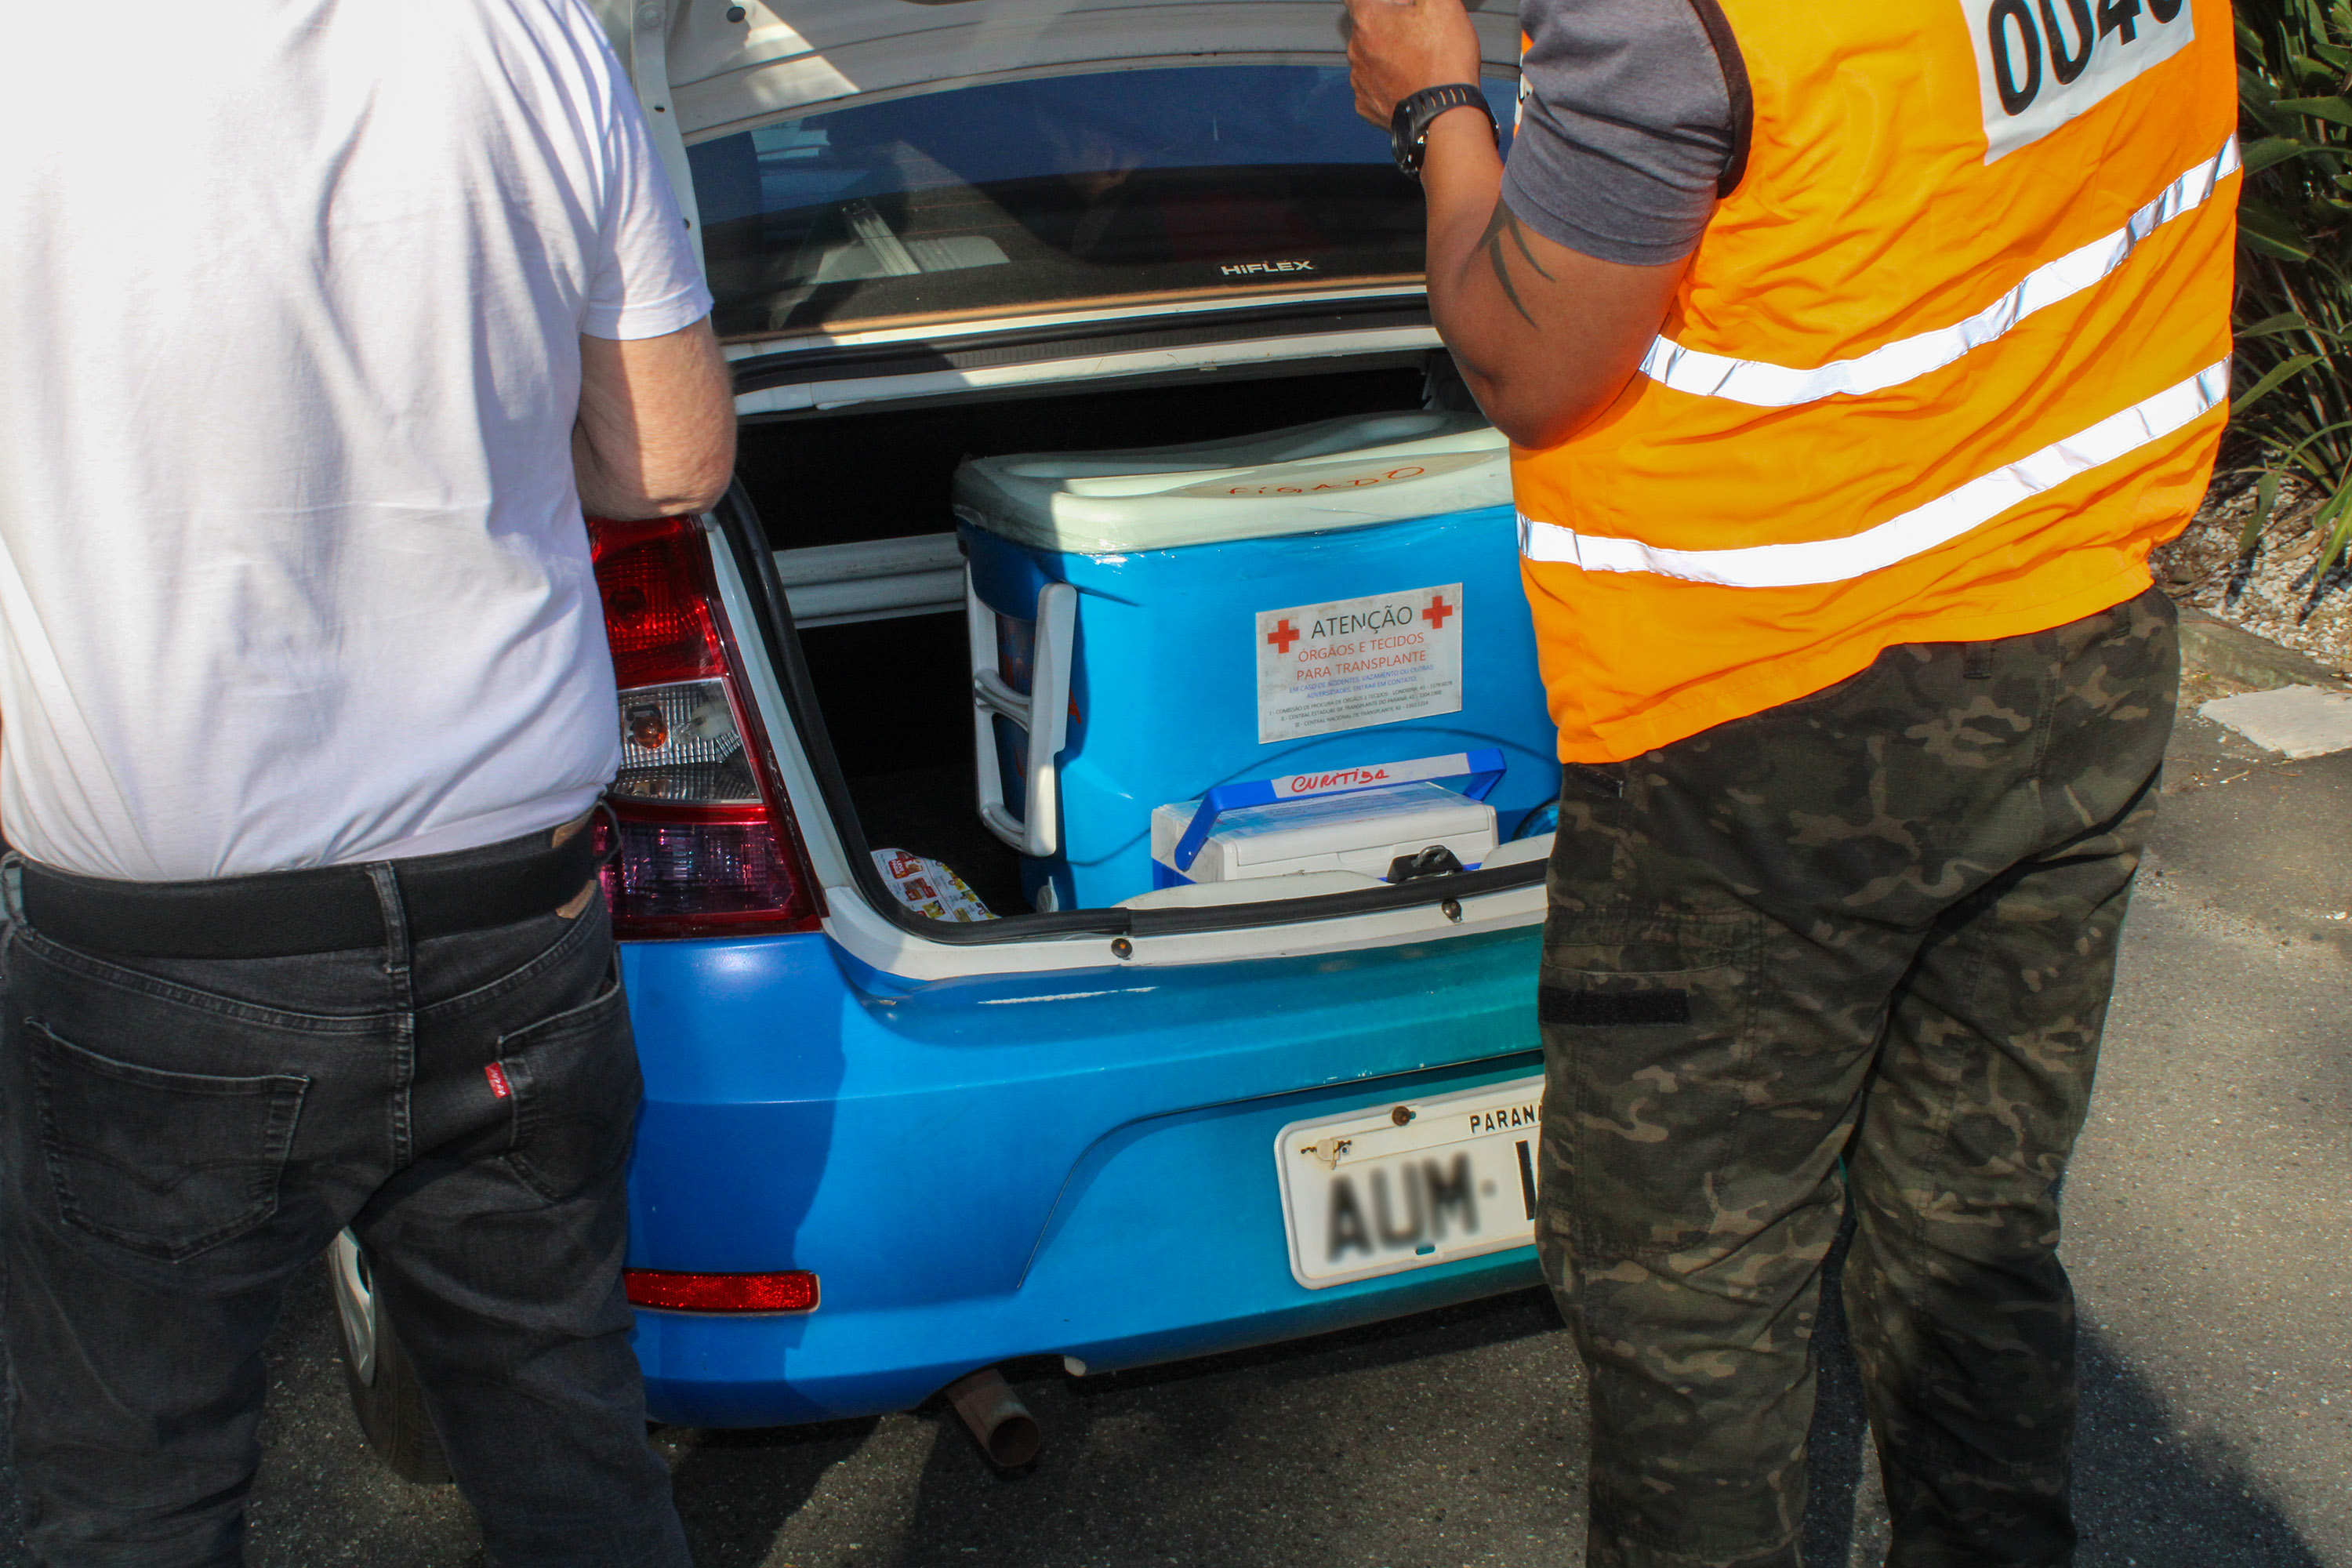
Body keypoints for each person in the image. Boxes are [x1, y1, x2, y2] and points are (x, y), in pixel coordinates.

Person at [1345, 0, 2235, 1563]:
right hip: (2075, 646)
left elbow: (1524, 357)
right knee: (1974, 1240)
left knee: (1697, 1297)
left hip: (1753, 747)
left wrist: (1437, 113)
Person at [0, 1, 735, 1562]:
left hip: (158, 937)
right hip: (512, 910)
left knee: (130, 1488)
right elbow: (669, 458)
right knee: (572, 1453)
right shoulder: (530, 29)